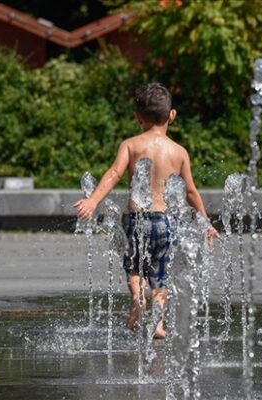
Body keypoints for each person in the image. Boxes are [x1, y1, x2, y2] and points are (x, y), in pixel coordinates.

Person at [73, 83, 217, 338]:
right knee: (161, 276)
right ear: (172, 115)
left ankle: (139, 302)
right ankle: (158, 324)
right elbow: (191, 192)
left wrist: (93, 201)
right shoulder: (179, 152)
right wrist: (205, 223)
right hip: (167, 222)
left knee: (135, 270)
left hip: (138, 220)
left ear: (137, 117)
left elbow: (114, 173)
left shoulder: (130, 144)